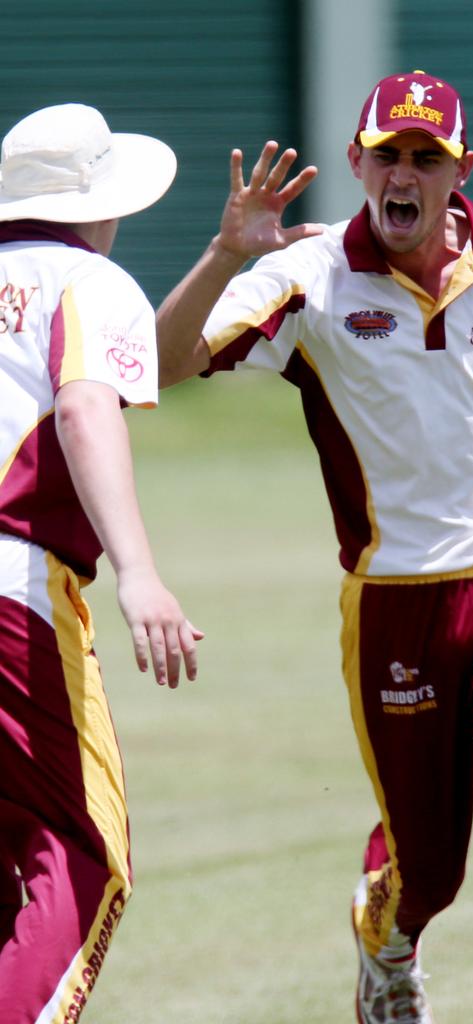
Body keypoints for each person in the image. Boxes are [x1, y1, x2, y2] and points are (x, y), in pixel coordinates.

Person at [157, 70, 473, 1024]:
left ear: (459, 170)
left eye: (426, 157)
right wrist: (226, 256)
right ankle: (386, 937)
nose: (404, 172)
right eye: (387, 153)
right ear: (355, 162)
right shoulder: (303, 277)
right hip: (397, 604)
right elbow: (162, 360)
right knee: (425, 866)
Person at [0, 102, 202, 1023]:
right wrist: (138, 571)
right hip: (16, 592)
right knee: (86, 858)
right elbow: (85, 409)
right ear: (99, 203)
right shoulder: (90, 280)